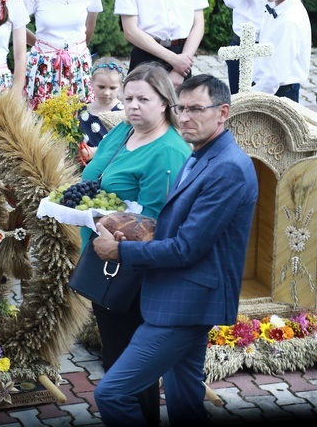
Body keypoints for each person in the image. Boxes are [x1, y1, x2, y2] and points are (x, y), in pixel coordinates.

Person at [92, 74, 258, 427]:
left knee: (111, 393)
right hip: (183, 300)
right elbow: (176, 227)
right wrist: (129, 228)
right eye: (181, 108)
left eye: (196, 109)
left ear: (222, 112)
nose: (184, 117)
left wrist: (120, 252)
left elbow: (186, 248)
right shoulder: (202, 154)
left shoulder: (227, 167)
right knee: (185, 402)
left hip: (185, 305)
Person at [80, 62, 190, 426]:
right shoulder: (124, 130)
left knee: (129, 367)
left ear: (165, 103)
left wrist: (106, 225)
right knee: (115, 355)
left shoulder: (168, 151)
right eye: (128, 98)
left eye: (144, 98)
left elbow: (155, 223)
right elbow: (94, 175)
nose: (133, 105)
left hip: (131, 269)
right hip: (102, 260)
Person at [22, 0, 102, 109]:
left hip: (78, 63)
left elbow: (90, 25)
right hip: (43, 63)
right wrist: (40, 44)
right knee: (41, 115)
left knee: (79, 115)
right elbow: (16, 26)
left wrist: (77, 51)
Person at [252, 0, 310, 103]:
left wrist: (249, 97)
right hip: (265, 85)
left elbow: (277, 73)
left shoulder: (291, 19)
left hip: (280, 92)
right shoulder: (275, 7)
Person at [78, 58, 124, 163]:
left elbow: (124, 144)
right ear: (92, 82)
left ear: (120, 86)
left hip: (110, 166)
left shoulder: (123, 112)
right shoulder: (82, 111)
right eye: (101, 87)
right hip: (83, 167)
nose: (106, 92)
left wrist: (95, 152)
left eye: (112, 88)